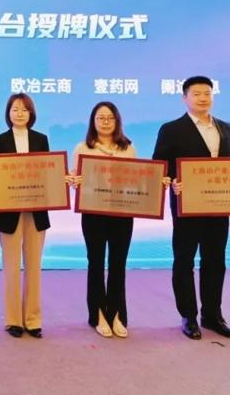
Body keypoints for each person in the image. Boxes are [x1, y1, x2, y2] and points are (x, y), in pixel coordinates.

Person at [152, 75, 230, 340]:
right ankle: (188, 316)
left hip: (219, 205)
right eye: (196, 94)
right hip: (187, 206)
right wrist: (173, 180)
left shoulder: (225, 127)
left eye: (207, 93)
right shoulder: (171, 129)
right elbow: (160, 165)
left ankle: (212, 315)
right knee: (184, 260)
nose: (203, 98)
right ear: (184, 98)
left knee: (216, 260)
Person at [68, 101, 170, 338]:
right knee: (95, 264)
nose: (105, 122)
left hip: (122, 215)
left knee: (118, 264)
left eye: (110, 118)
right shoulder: (82, 148)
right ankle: (98, 315)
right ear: (93, 122)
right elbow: (78, 181)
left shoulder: (128, 147)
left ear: (117, 121)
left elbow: (136, 179)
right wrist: (75, 183)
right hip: (93, 214)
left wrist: (157, 182)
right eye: (100, 118)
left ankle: (117, 314)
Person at [0, 93, 50, 338]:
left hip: (36, 213)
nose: (20, 113)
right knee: (11, 268)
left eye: (24, 109)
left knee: (34, 267)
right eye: (15, 109)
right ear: (8, 113)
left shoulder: (41, 139)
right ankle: (13, 320)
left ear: (31, 113)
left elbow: (47, 172)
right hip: (8, 213)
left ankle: (33, 320)